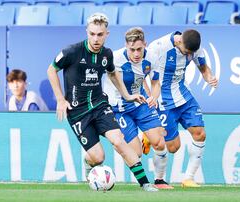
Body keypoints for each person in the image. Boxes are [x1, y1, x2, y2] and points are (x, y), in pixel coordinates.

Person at [47, 13, 158, 191]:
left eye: (100, 34)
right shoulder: (71, 51)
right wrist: (60, 98)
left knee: (118, 140)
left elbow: (113, 74)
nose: (95, 38)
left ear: (106, 34)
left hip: (100, 105)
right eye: (92, 34)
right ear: (87, 32)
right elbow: (51, 70)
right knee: (98, 157)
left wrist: (128, 95)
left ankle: (145, 183)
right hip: (77, 113)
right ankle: (88, 162)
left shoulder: (106, 54)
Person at [144, 29, 218, 187]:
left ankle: (188, 178)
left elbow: (204, 68)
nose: (188, 55)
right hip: (163, 101)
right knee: (173, 147)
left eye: (190, 53)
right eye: (186, 52)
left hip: (184, 96)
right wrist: (150, 97)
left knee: (200, 134)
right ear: (179, 42)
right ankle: (150, 134)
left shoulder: (195, 48)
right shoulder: (158, 47)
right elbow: (142, 74)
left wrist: (210, 78)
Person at [103, 27, 172, 189]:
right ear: (126, 46)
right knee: (137, 153)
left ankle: (160, 180)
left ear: (145, 45)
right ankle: (142, 142)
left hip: (140, 102)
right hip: (119, 107)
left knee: (160, 142)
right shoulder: (116, 58)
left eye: (139, 49)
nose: (136, 54)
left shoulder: (153, 57)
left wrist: (153, 98)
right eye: (132, 49)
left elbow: (155, 84)